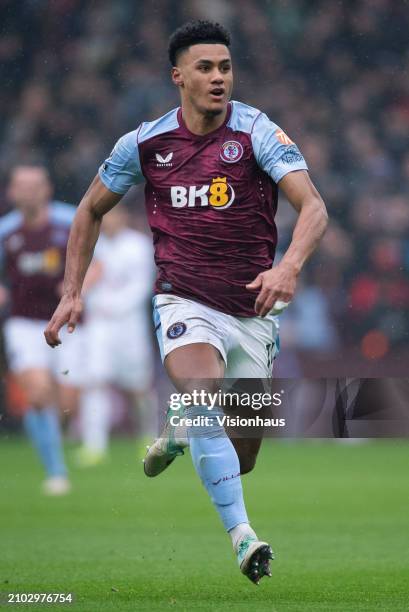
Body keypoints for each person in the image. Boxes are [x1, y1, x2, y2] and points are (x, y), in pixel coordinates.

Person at [45, 21, 328, 583]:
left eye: (225, 67)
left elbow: (313, 206)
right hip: (184, 300)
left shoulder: (257, 132)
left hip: (253, 311)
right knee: (201, 395)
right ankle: (244, 538)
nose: (218, 77)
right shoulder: (145, 144)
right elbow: (89, 210)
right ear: (179, 77)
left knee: (242, 455)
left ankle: (180, 429)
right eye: (205, 68)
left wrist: (289, 266)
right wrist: (73, 291)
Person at [0, 164, 83, 495]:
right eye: (21, 186)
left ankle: (58, 436)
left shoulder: (71, 221)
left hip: (71, 323)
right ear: (11, 192)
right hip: (24, 322)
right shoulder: (6, 231)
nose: (28, 192)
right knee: (36, 395)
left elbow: (97, 261)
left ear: (47, 189)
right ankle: (56, 471)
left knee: (67, 404)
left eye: (34, 185)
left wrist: (78, 292)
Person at [77, 204, 156, 465]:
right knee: (95, 382)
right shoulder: (93, 244)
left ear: (123, 216)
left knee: (139, 387)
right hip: (99, 325)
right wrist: (92, 302)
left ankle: (148, 438)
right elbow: (82, 281)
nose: (109, 221)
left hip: (130, 325)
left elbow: (143, 285)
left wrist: (116, 306)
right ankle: (94, 445)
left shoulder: (139, 245)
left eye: (114, 215)